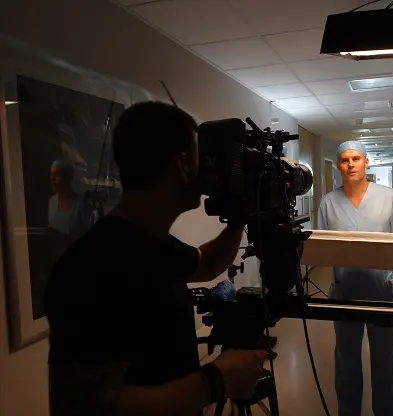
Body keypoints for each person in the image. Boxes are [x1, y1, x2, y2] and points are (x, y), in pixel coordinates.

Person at [43, 101, 268, 416]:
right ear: (182, 164)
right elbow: (88, 407)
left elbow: (207, 263)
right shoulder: (92, 267)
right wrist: (216, 381)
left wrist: (239, 214)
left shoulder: (152, 244)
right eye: (199, 156)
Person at [317, 141, 393, 416]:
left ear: (366, 162)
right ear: (338, 166)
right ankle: (348, 411)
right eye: (345, 160)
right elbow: (321, 246)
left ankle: (385, 412)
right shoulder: (328, 202)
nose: (351, 164)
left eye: (356, 158)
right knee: (346, 359)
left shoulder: (388, 197)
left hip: (382, 290)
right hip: (344, 291)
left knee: (384, 358)